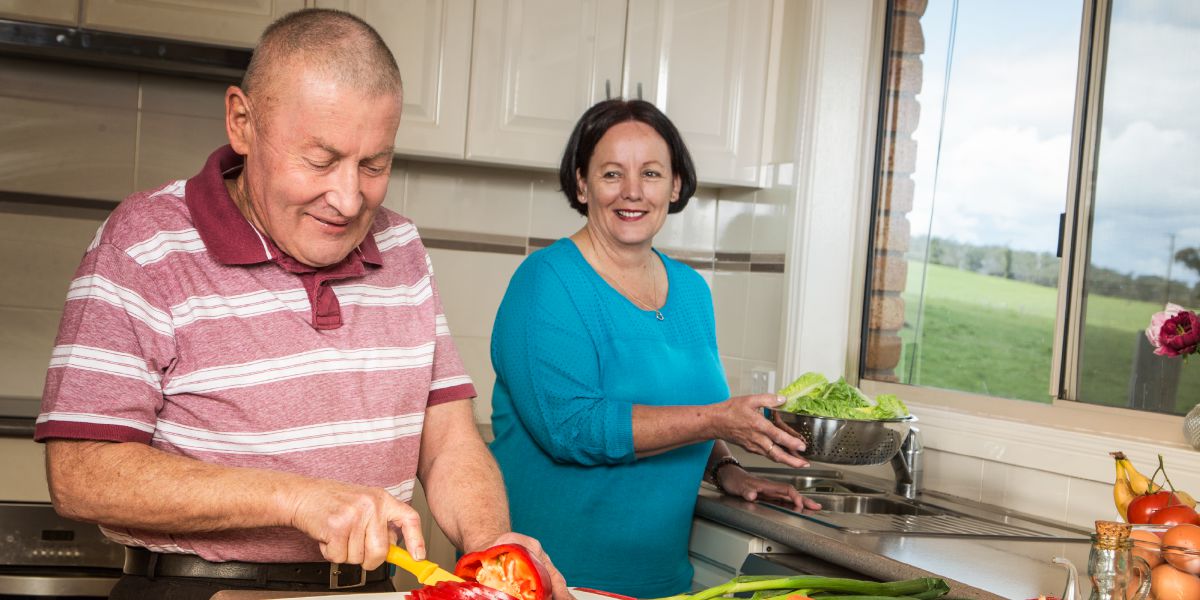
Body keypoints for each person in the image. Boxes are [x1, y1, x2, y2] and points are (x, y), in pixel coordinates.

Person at [35, 9, 567, 599]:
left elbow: (448, 444)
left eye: (374, 165)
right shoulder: (143, 244)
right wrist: (297, 498)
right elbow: (82, 472)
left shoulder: (403, 248)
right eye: (320, 160)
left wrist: (492, 547)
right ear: (242, 122)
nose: (347, 198)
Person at [488, 99, 822, 598]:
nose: (632, 192)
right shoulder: (546, 282)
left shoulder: (691, 292)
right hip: (547, 581)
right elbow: (571, 428)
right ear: (582, 184)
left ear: (676, 184)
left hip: (661, 583)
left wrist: (724, 464)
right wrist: (715, 420)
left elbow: (686, 401)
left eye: (650, 173)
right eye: (611, 174)